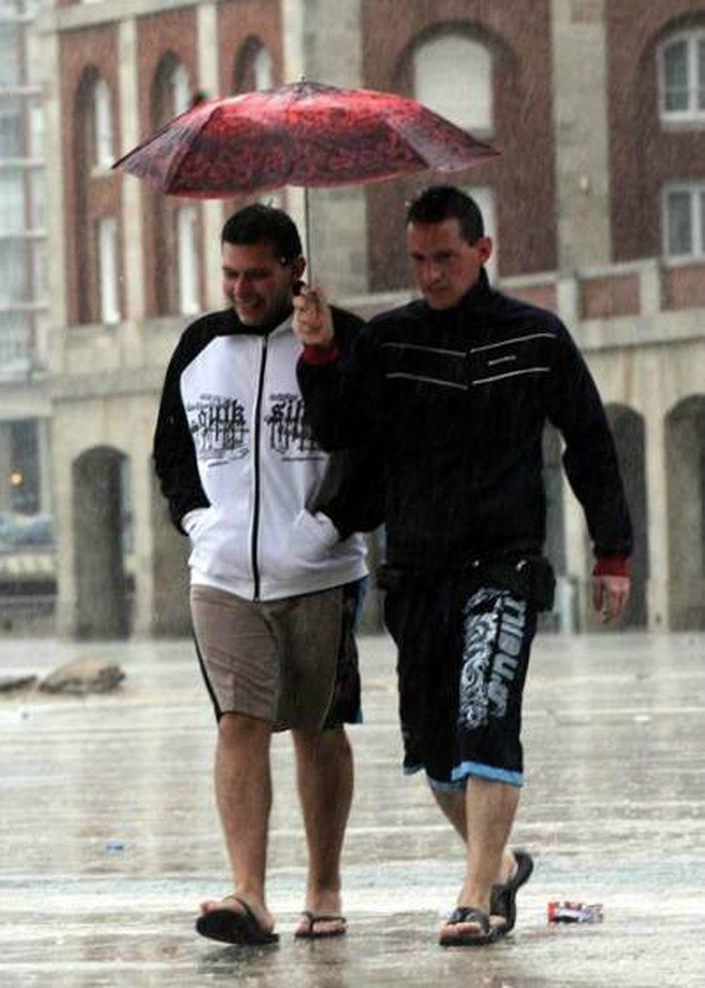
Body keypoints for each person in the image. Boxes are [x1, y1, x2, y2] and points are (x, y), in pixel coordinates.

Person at [293, 185, 633, 947]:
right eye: (419, 260)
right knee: (436, 748)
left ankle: (477, 894)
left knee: (487, 712)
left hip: (504, 562)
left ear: (483, 251)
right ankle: (502, 864)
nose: (432, 274)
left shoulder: (536, 337)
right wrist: (318, 349)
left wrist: (612, 550)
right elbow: (337, 427)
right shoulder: (390, 342)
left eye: (445, 257)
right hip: (415, 569)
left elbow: (589, 440)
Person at [152, 203, 380, 946]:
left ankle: (325, 885)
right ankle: (248, 893)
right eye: (230, 274)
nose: (242, 290)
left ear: (294, 270)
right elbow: (171, 454)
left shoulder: (348, 340)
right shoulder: (197, 346)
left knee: (318, 729)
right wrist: (197, 521)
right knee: (239, 722)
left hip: (318, 572)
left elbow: (369, 449)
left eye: (257, 275)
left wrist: (322, 355)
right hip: (220, 574)